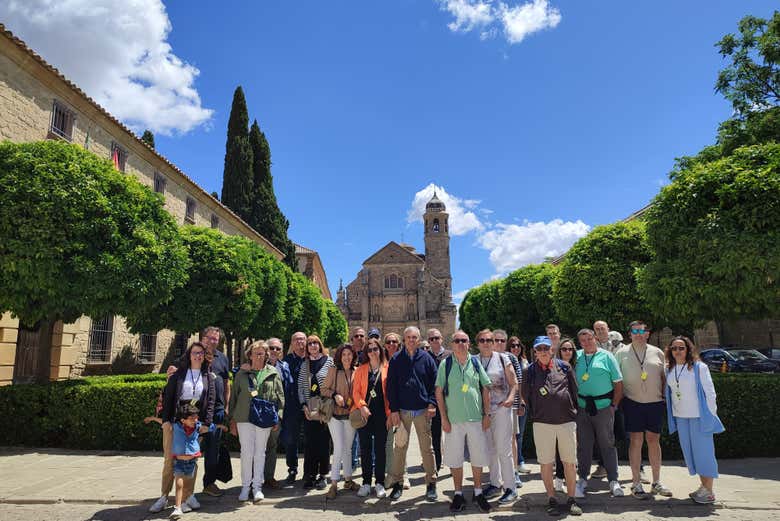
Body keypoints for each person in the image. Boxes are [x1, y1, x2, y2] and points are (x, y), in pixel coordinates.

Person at [151, 342, 216, 514]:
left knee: (191, 461)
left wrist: (206, 424)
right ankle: (164, 496)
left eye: (201, 353)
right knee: (169, 461)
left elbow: (210, 403)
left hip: (194, 425)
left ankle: (188, 496)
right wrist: (165, 420)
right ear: (189, 355)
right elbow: (168, 398)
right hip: (175, 424)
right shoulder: (178, 375)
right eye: (195, 352)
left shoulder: (208, 377)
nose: (198, 356)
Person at [435, 330, 492, 513]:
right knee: (455, 457)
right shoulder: (446, 363)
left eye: (464, 340)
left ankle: (477, 492)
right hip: (453, 421)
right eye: (457, 340)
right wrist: (443, 418)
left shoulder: (475, 362)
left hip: (476, 419)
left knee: (478, 456)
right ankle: (458, 493)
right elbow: (438, 391)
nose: (460, 343)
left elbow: (485, 388)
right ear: (452, 344)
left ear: (469, 344)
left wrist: (487, 414)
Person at [523, 336, 582, 516]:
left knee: (570, 463)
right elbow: (525, 395)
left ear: (551, 350)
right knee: (546, 463)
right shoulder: (529, 372)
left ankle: (571, 499)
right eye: (539, 349)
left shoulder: (565, 367)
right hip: (542, 424)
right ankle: (552, 499)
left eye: (545, 348)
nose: (542, 351)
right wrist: (538, 412)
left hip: (566, 422)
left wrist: (572, 411)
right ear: (535, 351)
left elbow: (574, 391)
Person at [615, 321, 672, 498]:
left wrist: (663, 399)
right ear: (630, 334)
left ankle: (656, 482)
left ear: (647, 333)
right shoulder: (621, 353)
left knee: (654, 440)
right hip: (632, 402)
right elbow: (617, 380)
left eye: (642, 331)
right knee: (636, 441)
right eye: (635, 331)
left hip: (655, 403)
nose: (639, 333)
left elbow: (665, 378)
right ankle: (636, 483)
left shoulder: (658, 352)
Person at [665, 336, 723, 504]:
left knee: (704, 454)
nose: (677, 351)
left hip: (699, 417)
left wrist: (710, 415)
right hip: (681, 417)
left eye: (681, 348)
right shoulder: (670, 368)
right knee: (691, 454)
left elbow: (710, 394)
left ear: (688, 350)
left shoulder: (699, 367)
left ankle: (709, 491)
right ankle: (703, 487)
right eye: (674, 348)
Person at [386, 326, 439, 501]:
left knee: (427, 448)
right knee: (400, 448)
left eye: (414, 337)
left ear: (418, 339)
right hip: (402, 412)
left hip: (423, 410)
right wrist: (393, 410)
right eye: (408, 337)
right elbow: (391, 387)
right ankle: (398, 483)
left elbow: (435, 383)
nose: (411, 340)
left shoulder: (427, 358)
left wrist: (432, 403)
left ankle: (431, 483)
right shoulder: (396, 359)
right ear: (404, 339)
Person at [229, 340, 284, 502]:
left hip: (265, 418)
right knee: (246, 453)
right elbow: (234, 397)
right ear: (250, 355)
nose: (260, 356)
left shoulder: (273, 372)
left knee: (260, 453)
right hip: (244, 417)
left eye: (263, 353)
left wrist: (277, 417)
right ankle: (245, 488)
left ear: (267, 356)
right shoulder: (241, 374)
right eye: (256, 353)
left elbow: (280, 397)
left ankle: (257, 488)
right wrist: (232, 420)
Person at [574, 329, 624, 499]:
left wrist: (613, 406)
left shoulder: (607, 356)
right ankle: (582, 478)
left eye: (589, 338)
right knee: (583, 445)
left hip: (603, 407)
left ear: (595, 338)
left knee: (607, 444)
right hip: (582, 408)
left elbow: (618, 383)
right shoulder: (577, 356)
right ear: (579, 343)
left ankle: (613, 480)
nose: (587, 342)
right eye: (583, 340)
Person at [476, 329, 519, 504]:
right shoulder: (474, 361)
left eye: (490, 340)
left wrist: (510, 399)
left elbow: (514, 382)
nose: (486, 343)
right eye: (482, 340)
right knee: (490, 449)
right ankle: (495, 483)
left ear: (494, 342)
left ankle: (510, 487)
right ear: (477, 343)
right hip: (483, 412)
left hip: (501, 409)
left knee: (504, 449)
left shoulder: (503, 358)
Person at [169, 404, 224, 520]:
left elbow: (209, 428)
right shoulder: (175, 427)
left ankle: (185, 501)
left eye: (196, 417)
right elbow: (164, 423)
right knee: (179, 483)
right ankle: (177, 507)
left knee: (188, 485)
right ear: (183, 420)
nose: (195, 420)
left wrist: (220, 426)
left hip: (192, 461)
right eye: (192, 418)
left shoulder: (197, 427)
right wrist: (153, 419)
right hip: (179, 461)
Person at [351, 338, 391, 498]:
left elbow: (392, 393)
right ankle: (366, 482)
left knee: (380, 450)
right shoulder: (361, 370)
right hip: (364, 415)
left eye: (375, 349)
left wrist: (391, 414)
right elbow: (356, 392)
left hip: (382, 415)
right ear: (366, 353)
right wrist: (362, 406)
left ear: (380, 351)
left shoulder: (388, 368)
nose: (373, 352)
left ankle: (379, 483)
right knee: (365, 449)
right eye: (369, 350)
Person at [322, 343, 359, 499]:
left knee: (348, 448)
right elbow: (323, 389)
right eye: (344, 354)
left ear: (353, 356)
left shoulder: (358, 372)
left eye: (349, 354)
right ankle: (334, 483)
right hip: (335, 415)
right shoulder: (333, 370)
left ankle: (348, 479)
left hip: (350, 415)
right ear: (339, 356)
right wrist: (334, 395)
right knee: (338, 447)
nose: (347, 357)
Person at [297, 334, 334, 490]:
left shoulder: (329, 361)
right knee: (310, 443)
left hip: (324, 408)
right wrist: (304, 405)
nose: (312, 346)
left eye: (315, 343)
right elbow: (300, 387)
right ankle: (309, 475)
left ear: (320, 345)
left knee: (323, 443)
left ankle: (323, 475)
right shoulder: (304, 364)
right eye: (310, 343)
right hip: (309, 409)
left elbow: (332, 384)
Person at [199, 327, 231, 498]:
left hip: (217, 411)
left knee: (213, 449)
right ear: (203, 338)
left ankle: (209, 483)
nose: (213, 341)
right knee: (190, 449)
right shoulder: (195, 354)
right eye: (210, 338)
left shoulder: (222, 358)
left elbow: (226, 384)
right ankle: (184, 487)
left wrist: (226, 406)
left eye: (216, 339)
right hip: (196, 412)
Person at [264, 337, 294, 489]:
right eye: (271, 348)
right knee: (256, 448)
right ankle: (252, 480)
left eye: (277, 349)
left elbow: (289, 389)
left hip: (278, 414)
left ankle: (269, 477)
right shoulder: (257, 365)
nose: (274, 351)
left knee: (272, 446)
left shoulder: (284, 367)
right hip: (260, 414)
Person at [495, 329, 524, 487]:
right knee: (494, 441)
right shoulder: (485, 358)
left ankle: (514, 472)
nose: (499, 343)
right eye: (496, 340)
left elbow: (518, 382)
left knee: (512, 439)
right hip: (492, 408)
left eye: (501, 340)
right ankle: (498, 474)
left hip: (510, 406)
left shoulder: (511, 357)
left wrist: (519, 403)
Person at [382, 332, 409, 490]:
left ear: (399, 344)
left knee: (401, 442)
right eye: (388, 342)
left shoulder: (404, 360)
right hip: (385, 409)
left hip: (400, 408)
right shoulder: (380, 361)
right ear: (384, 344)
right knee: (387, 444)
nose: (392, 344)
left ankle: (403, 475)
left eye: (395, 342)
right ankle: (390, 474)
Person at [553, 337, 578, 494]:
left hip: (578, 409)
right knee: (559, 448)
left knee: (574, 448)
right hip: (561, 413)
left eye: (570, 349)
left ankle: (574, 479)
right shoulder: (555, 366)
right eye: (564, 349)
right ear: (559, 351)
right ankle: (559, 480)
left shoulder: (578, 365)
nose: (567, 352)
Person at [282, 331, 307, 484]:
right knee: (291, 439)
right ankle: (292, 469)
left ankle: (310, 471)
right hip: (292, 406)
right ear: (292, 343)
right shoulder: (286, 361)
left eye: (302, 339)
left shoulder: (311, 360)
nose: (300, 342)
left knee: (311, 440)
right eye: (296, 340)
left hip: (309, 405)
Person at [426, 328, 451, 472]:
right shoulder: (425, 356)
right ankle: (438, 464)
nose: (434, 341)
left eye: (437, 338)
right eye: (431, 339)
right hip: (434, 402)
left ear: (441, 338)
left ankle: (453, 462)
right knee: (435, 434)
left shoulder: (450, 355)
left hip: (449, 401)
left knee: (452, 434)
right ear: (429, 342)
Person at [509, 336, 531, 475]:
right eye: (513, 346)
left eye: (518, 345)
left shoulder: (525, 362)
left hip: (523, 403)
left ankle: (519, 461)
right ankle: (513, 463)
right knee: (511, 435)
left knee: (520, 434)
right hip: (511, 403)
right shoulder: (506, 361)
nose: (516, 348)